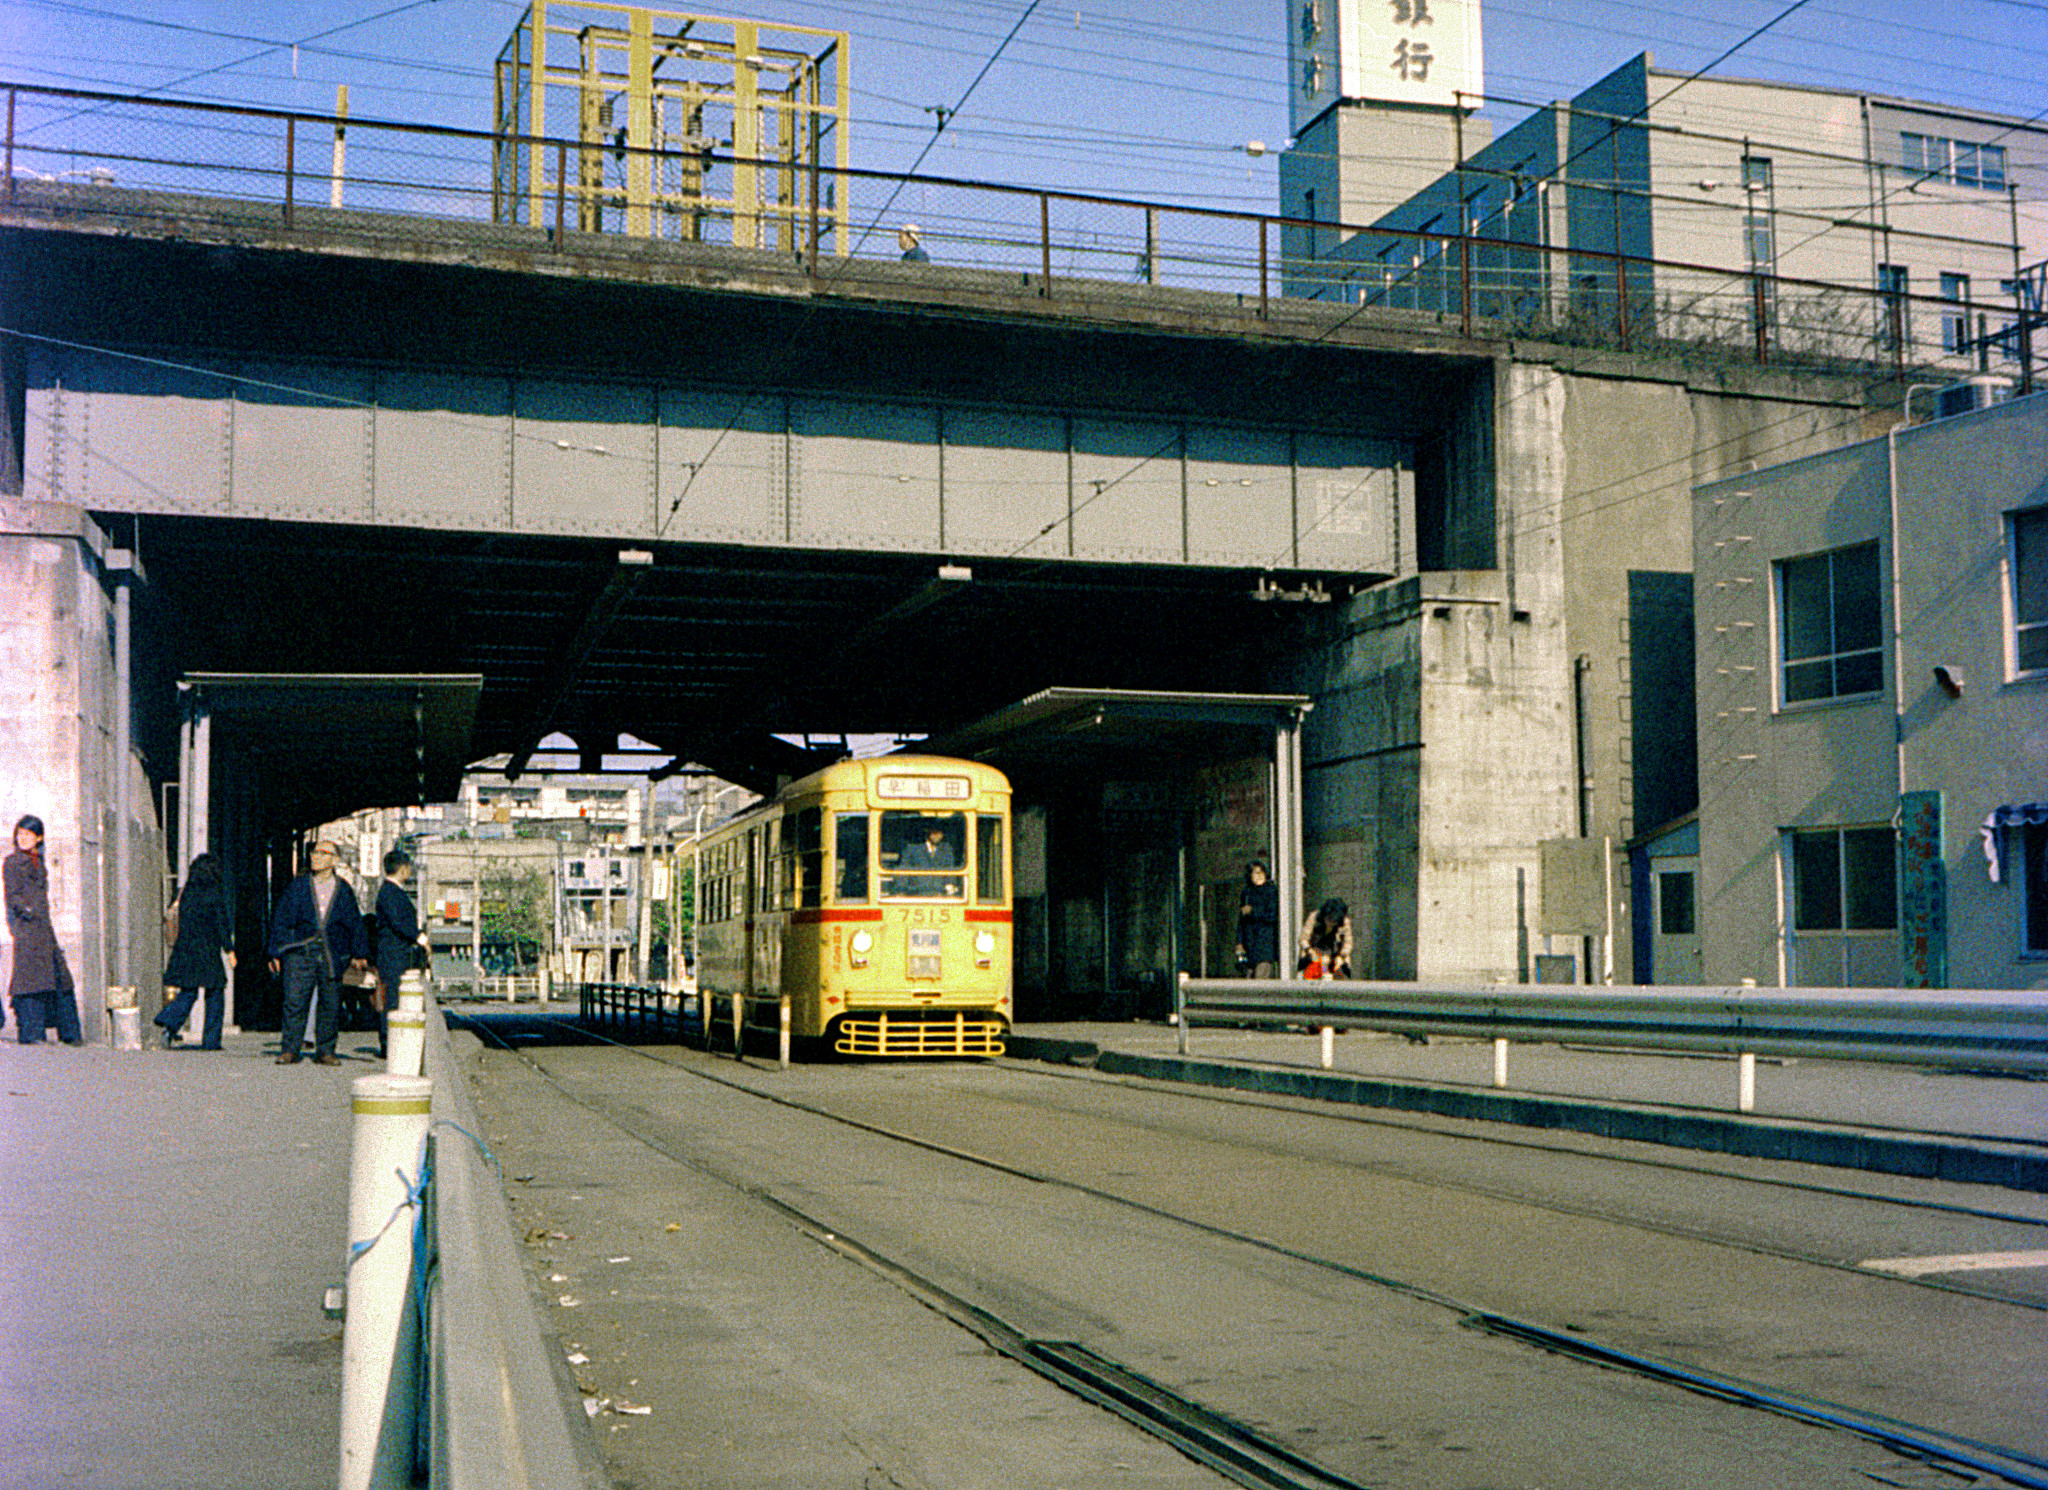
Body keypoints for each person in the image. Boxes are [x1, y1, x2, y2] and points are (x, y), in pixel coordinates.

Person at [267, 839, 367, 1065]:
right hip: (300, 951)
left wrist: (360, 953)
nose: (316, 857)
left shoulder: (344, 890)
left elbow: (355, 923)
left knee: (330, 1003)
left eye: (323, 853)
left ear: (335, 860)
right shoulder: (299, 886)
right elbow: (281, 919)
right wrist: (274, 951)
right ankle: (290, 1049)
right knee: (294, 1000)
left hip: (332, 953)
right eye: (314, 852)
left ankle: (326, 1051)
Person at [5, 815, 81, 1045]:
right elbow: (12, 894)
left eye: (28, 835)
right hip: (28, 929)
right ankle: (31, 1033)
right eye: (20, 834)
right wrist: (27, 911)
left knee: (61, 980)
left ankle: (70, 1033)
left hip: (44, 930)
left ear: (39, 837)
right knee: (30, 982)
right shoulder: (13, 862)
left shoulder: (39, 861)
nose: (22, 839)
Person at [155, 852, 235, 1050]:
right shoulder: (214, 893)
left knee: (188, 992)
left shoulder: (184, 892)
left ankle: (168, 1022)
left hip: (185, 949)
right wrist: (229, 949)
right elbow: (221, 923)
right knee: (215, 992)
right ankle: (211, 1041)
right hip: (208, 951)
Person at [372, 848, 424, 1059]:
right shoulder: (389, 893)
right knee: (392, 998)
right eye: (408, 867)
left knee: (396, 997)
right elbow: (398, 923)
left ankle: (393, 1040)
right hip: (392, 954)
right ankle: (388, 1042)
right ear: (402, 869)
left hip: (397, 953)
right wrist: (418, 936)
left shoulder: (393, 892)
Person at [1233, 860, 1279, 978]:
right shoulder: (1247, 892)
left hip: (1264, 944)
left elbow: (1272, 915)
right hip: (1249, 944)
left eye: (1261, 872)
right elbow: (1241, 920)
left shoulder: (1270, 890)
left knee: (1261, 978)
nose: (1259, 876)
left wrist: (1253, 911)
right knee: (1248, 980)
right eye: (1255, 873)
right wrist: (1239, 941)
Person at [1297, 897, 1353, 980]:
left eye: (1334, 921)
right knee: (1310, 972)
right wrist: (1310, 951)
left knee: (1341, 973)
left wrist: (1341, 956)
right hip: (1314, 951)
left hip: (1335, 953)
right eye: (1329, 919)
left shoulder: (1345, 922)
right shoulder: (1314, 917)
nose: (1330, 923)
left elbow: (1348, 943)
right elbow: (1303, 938)